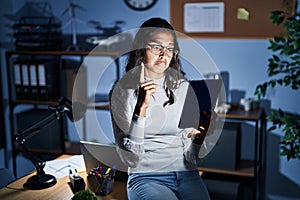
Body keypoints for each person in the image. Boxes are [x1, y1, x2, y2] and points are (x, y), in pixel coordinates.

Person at [109, 17, 214, 200]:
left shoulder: (182, 87)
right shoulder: (121, 92)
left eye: (170, 48)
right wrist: (141, 108)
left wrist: (198, 141)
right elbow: (130, 159)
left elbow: (192, 158)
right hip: (147, 178)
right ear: (141, 49)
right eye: (156, 47)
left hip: (186, 174)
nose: (163, 54)